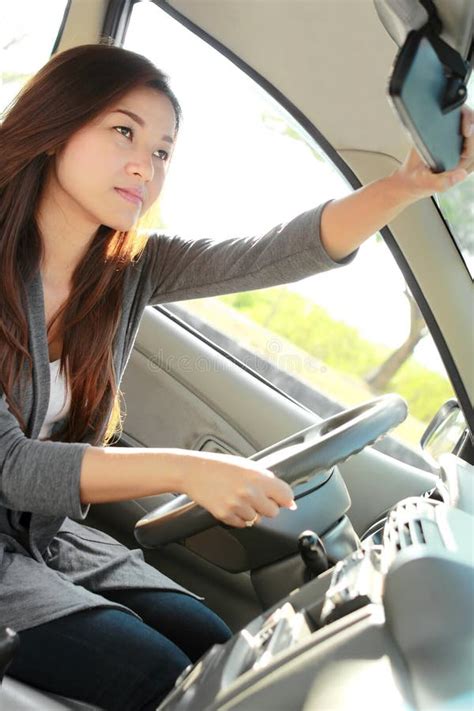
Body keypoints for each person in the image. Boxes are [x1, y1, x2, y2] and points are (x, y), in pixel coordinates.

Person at [0, 42, 472, 710]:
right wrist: (189, 470)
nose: (146, 165)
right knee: (159, 676)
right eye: (124, 131)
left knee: (218, 646)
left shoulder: (128, 270)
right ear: (56, 128)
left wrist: (405, 186)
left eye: (163, 150)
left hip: (41, 540)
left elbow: (273, 254)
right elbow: (12, 465)